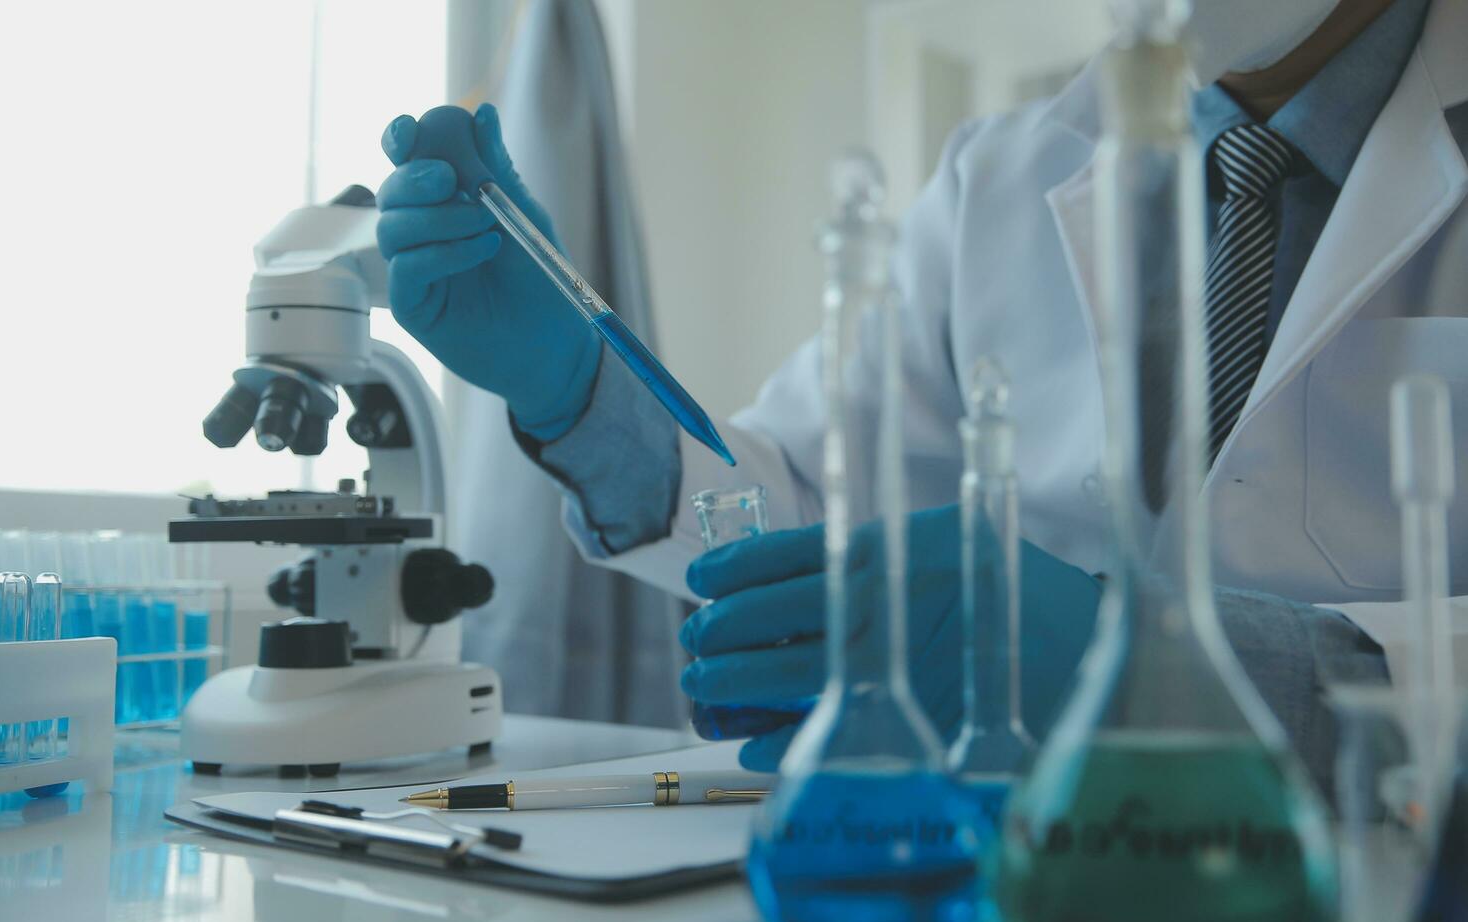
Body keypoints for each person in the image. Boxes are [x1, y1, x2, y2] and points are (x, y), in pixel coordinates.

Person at [375, 0, 1467, 777]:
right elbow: (805, 511)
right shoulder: (1001, 179)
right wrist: (581, 391)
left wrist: (1154, 669)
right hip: (1037, 887)